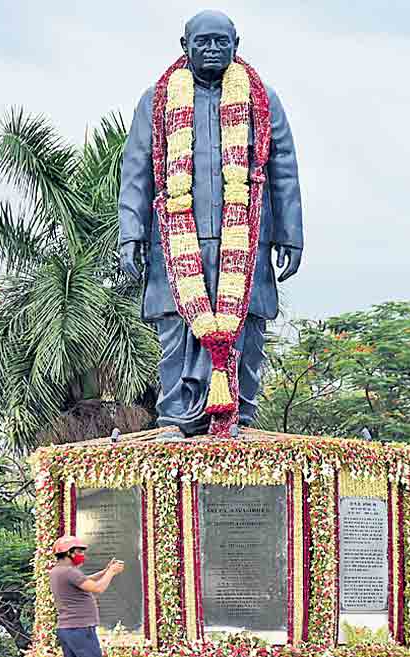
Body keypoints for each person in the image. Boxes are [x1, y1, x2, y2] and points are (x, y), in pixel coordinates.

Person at [118, 10, 305, 436]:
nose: (212, 50)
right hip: (175, 239)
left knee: (247, 327)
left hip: (246, 237)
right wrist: (130, 233)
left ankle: (238, 414)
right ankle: (177, 417)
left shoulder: (261, 99)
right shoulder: (157, 101)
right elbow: (136, 172)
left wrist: (290, 235)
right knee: (175, 328)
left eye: (221, 42)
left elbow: (284, 170)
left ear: (236, 44)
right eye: (203, 42)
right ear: (184, 46)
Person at [50, 535, 127, 657]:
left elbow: (86, 581)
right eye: (78, 551)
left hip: (67, 629)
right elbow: (98, 588)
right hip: (81, 629)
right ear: (67, 553)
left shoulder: (58, 571)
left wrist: (105, 570)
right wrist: (111, 573)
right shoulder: (70, 572)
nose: (81, 555)